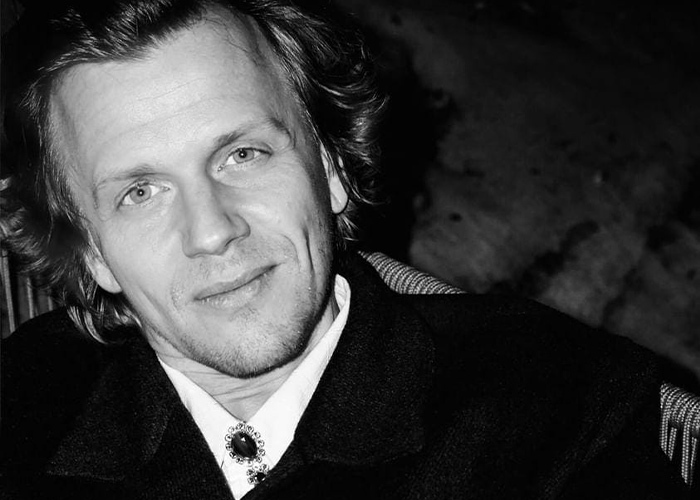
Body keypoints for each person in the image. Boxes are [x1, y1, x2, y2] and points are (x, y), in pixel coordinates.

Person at [0, 0, 688, 498]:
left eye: (243, 154)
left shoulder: (556, 412)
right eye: (140, 192)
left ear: (329, 167)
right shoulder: (23, 410)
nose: (212, 231)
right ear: (90, 250)